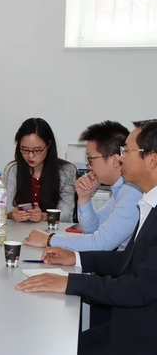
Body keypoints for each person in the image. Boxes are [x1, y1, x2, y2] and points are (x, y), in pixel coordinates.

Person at [16, 120, 157, 354]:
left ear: (152, 159)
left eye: (127, 151)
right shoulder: (147, 202)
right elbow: (127, 260)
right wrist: (76, 258)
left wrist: (70, 282)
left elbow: (140, 287)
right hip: (127, 324)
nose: (121, 158)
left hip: (141, 336)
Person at [23, 121, 141, 251]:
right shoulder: (121, 188)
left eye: (90, 159)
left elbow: (102, 244)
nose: (89, 166)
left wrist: (50, 239)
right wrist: (84, 197)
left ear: (114, 160)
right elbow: (92, 229)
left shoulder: (133, 191)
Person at [4, 118, 76, 224]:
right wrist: (13, 214)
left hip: (52, 234)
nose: (30, 155)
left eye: (37, 150)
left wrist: (43, 216)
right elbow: (4, 210)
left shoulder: (66, 171)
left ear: (48, 145)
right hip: (18, 232)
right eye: (25, 149)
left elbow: (67, 215)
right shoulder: (12, 170)